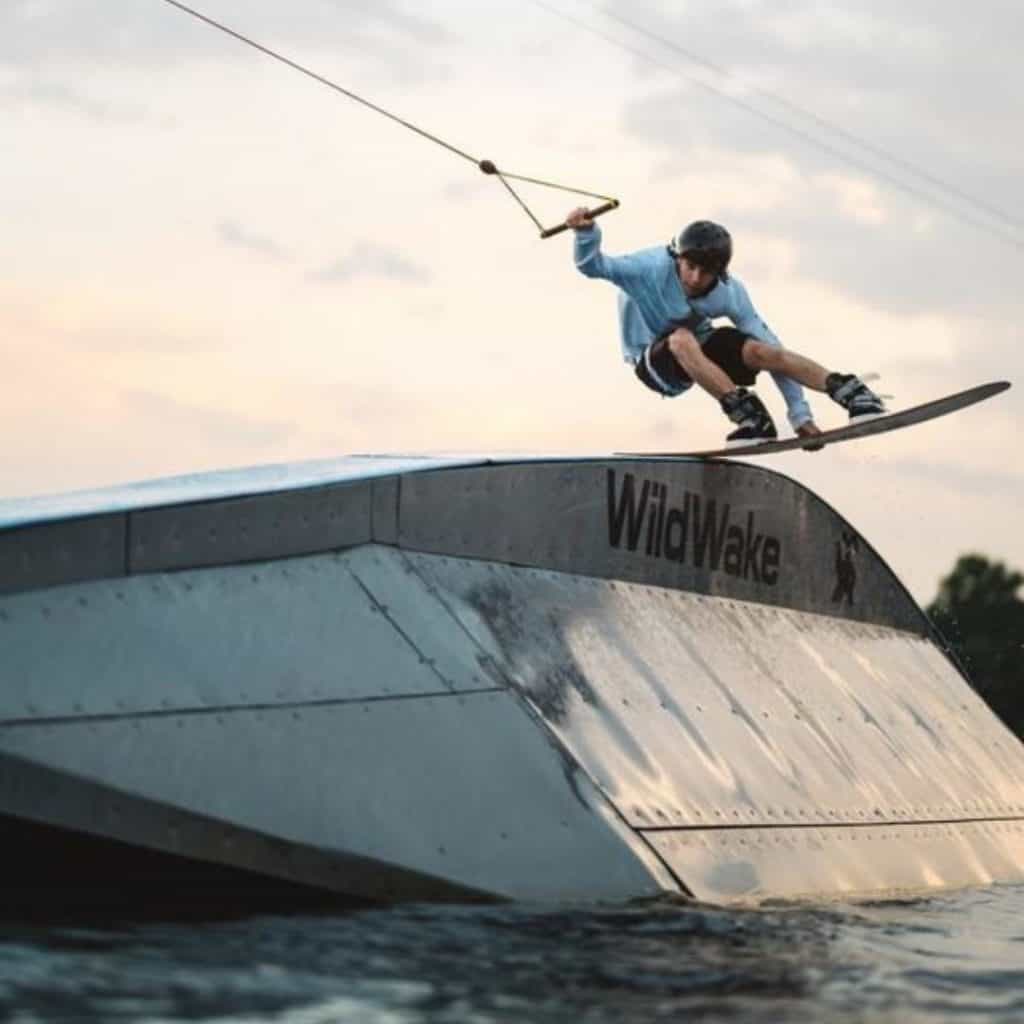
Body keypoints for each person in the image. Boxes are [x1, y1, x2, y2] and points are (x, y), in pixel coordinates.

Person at [566, 210, 886, 447]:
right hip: (652, 362)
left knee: (760, 350)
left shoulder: (729, 292)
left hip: (700, 352)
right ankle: (747, 415)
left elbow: (773, 350)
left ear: (719, 273)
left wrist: (800, 415)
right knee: (681, 338)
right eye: (689, 268)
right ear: (678, 258)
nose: (694, 280)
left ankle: (852, 393)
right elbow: (594, 266)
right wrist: (586, 233)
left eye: (705, 274)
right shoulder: (646, 268)